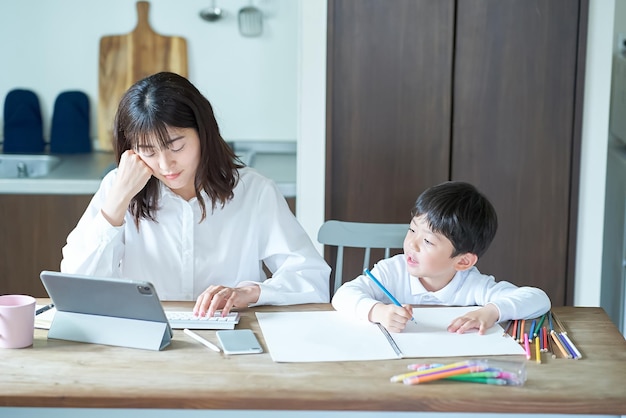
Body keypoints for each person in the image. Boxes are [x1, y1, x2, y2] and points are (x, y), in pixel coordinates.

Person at [61, 71, 330, 316]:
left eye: (175, 146)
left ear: (203, 132)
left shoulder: (254, 191)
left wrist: (249, 292)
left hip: (230, 336)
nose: (165, 165)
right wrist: (118, 200)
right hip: (143, 336)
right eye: (148, 151)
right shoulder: (117, 187)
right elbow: (75, 284)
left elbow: (312, 279)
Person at [331, 181, 551, 334]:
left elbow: (538, 299)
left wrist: (490, 312)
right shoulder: (392, 271)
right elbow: (342, 295)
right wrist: (377, 311)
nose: (411, 244)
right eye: (412, 230)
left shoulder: (472, 284)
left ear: (463, 261)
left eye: (427, 241)